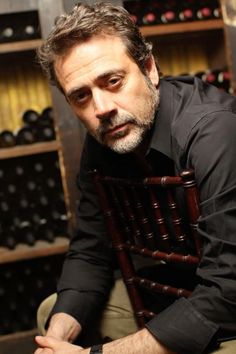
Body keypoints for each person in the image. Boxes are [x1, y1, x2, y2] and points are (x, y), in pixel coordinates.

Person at [34, 2, 236, 354]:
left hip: (227, 305)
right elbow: (91, 250)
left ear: (148, 68)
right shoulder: (107, 135)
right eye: (81, 96)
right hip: (172, 294)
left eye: (112, 81)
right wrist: (56, 340)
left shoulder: (215, 130)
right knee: (52, 312)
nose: (101, 109)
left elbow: (229, 288)